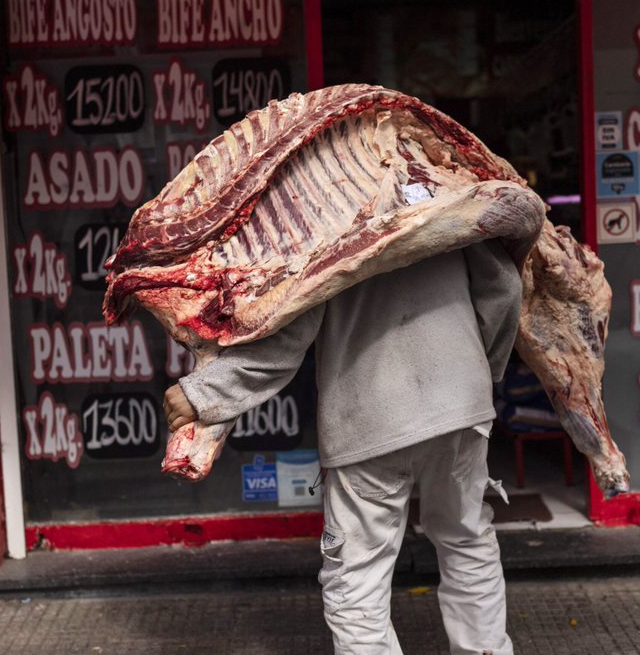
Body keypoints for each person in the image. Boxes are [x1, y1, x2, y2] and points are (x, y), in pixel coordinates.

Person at [163, 240, 522, 655]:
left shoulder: (329, 214)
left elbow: (287, 334)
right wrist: (479, 372)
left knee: (357, 580)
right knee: (467, 541)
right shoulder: (441, 187)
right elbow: (504, 288)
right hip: (462, 407)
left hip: (371, 419)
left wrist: (204, 393)